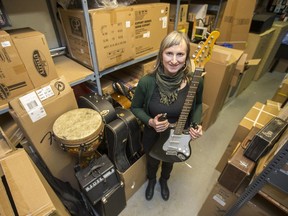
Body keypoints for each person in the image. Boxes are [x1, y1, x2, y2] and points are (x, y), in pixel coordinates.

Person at [130, 31, 204, 201]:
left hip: (179, 133)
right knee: (152, 161)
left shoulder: (195, 81)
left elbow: (198, 103)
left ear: (186, 58)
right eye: (169, 53)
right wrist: (150, 121)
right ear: (161, 54)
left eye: (180, 54)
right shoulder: (147, 82)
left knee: (169, 161)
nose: (174, 60)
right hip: (153, 134)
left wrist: (196, 124)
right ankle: (152, 180)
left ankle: (164, 181)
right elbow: (135, 107)